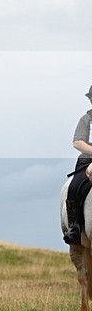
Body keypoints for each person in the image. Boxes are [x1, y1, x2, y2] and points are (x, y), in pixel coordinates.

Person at [64, 85, 92, 244]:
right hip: (87, 161)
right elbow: (77, 143)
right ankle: (74, 226)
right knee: (74, 187)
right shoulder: (86, 120)